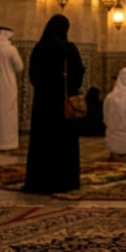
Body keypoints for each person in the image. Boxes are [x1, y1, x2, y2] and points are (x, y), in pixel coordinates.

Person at [23, 14, 85, 194]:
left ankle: (40, 180)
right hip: (62, 105)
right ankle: (64, 180)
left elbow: (33, 76)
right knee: (63, 143)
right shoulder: (68, 49)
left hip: (43, 104)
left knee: (42, 142)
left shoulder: (39, 48)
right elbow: (78, 75)